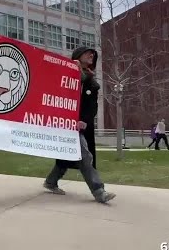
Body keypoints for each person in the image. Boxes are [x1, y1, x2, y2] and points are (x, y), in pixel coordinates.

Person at [43, 46, 116, 204]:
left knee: (69, 157)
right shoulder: (66, 73)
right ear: (78, 55)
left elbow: (92, 107)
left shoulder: (92, 83)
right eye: (88, 53)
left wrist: (84, 120)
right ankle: (99, 191)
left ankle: (50, 181)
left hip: (81, 127)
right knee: (83, 156)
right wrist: (72, 70)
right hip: (65, 124)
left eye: (93, 55)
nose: (92, 55)